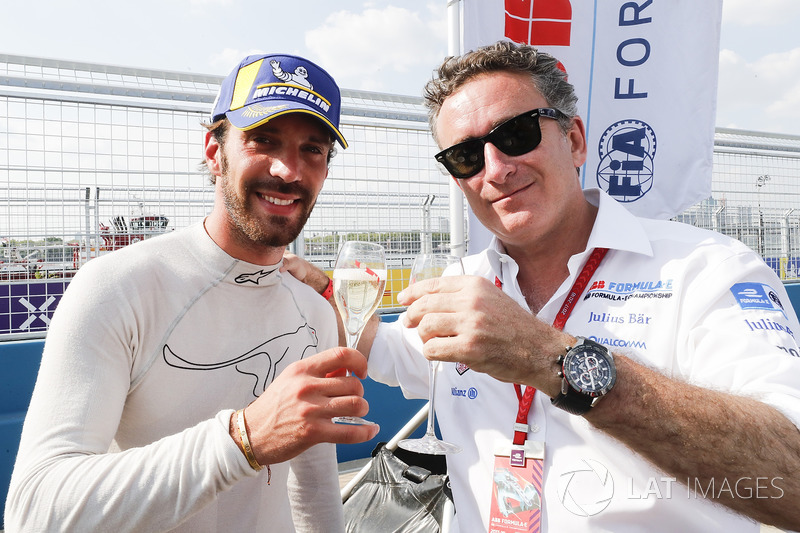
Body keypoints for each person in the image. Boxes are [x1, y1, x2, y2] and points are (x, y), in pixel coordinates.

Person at [285, 41, 800, 532]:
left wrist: (548, 358)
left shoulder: (705, 270)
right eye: (465, 156)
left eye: (515, 135)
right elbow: (390, 347)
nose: (496, 169)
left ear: (574, 140)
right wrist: (311, 289)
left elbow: (791, 479)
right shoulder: (461, 280)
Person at [4, 53, 379, 532]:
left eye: (313, 149)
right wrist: (242, 441)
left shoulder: (314, 312)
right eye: (263, 139)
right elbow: (35, 512)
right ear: (213, 150)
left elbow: (315, 492)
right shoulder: (117, 286)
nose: (288, 169)